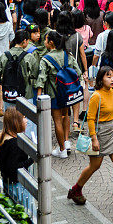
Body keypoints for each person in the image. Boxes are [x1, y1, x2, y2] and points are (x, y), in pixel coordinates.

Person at [68, 66, 113, 208]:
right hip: (99, 132)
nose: (112, 79)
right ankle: (76, 189)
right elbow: (90, 118)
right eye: (108, 76)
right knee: (95, 166)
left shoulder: (112, 92)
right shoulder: (96, 96)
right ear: (101, 79)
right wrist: (94, 138)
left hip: (110, 130)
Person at [36, 30, 83, 159]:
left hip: (54, 94)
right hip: (67, 93)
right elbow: (78, 72)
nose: (44, 42)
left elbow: (41, 79)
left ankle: (62, 149)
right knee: (66, 115)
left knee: (57, 120)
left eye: (45, 40)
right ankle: (66, 142)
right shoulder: (67, 55)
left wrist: (38, 98)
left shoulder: (46, 59)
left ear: (50, 43)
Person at [0, 108, 33, 201]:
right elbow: (15, 168)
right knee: (28, 213)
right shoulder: (14, 143)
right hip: (18, 186)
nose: (26, 120)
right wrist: (32, 159)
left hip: (7, 182)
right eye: (23, 118)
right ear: (16, 122)